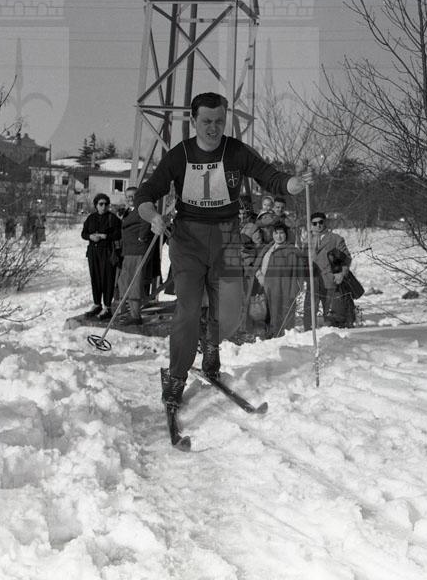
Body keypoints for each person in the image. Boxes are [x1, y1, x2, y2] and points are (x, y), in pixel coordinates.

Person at [134, 91, 312, 418]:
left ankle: (211, 346)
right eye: (206, 121)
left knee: (229, 312)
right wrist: (152, 214)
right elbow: (146, 192)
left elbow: (269, 176)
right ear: (193, 121)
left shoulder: (236, 151)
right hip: (188, 240)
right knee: (188, 310)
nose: (213, 128)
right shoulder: (180, 155)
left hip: (227, 238)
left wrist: (292, 184)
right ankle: (176, 378)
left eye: (219, 121)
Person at [251, 223, 304, 338]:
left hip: (281, 288)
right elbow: (258, 264)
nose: (279, 236)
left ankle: (280, 337)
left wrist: (296, 289)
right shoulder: (268, 248)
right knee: (265, 313)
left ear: (286, 235)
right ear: (272, 234)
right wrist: (259, 275)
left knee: (281, 314)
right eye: (276, 233)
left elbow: (298, 273)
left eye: (281, 233)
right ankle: (268, 334)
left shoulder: (292, 251)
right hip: (264, 286)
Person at [303, 211, 353, 329]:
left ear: (325, 222)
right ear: (311, 225)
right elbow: (303, 260)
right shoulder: (307, 241)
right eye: (315, 223)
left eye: (321, 222)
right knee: (309, 311)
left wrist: (341, 273)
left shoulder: (335, 239)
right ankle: (308, 333)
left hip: (330, 280)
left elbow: (346, 258)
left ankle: (332, 333)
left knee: (330, 312)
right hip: (313, 281)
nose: (318, 225)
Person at [81, 193, 121, 320]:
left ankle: (107, 307)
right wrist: (90, 236)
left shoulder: (112, 218)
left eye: (106, 204)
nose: (104, 207)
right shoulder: (91, 218)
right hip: (93, 251)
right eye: (101, 204)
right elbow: (83, 233)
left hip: (107, 251)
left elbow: (119, 234)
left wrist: (106, 236)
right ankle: (97, 304)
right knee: (95, 277)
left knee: (107, 278)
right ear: (96, 205)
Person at [118, 186, 152, 325]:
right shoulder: (130, 211)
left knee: (134, 283)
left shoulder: (142, 209)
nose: (130, 198)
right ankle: (127, 311)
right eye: (127, 196)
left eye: (133, 195)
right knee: (124, 281)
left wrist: (141, 237)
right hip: (129, 251)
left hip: (137, 250)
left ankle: (135, 316)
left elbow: (146, 222)